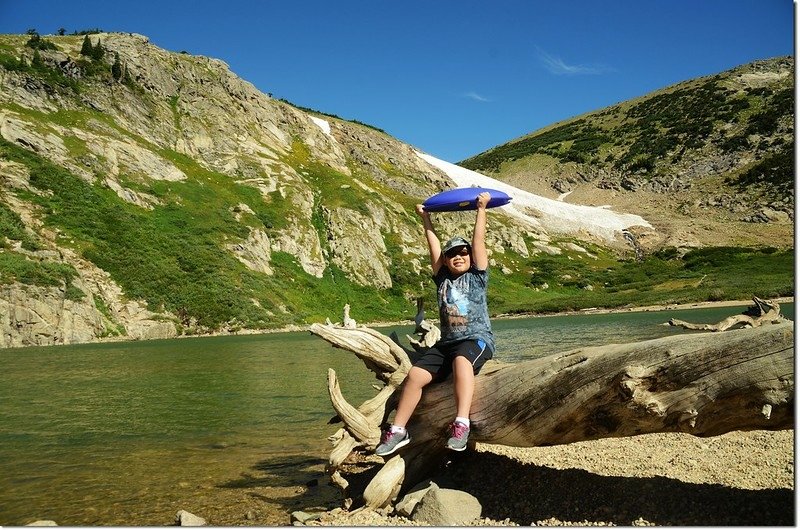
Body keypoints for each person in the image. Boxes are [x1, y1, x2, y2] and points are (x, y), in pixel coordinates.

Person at [375, 192, 495, 456]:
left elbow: (478, 241)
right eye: (453, 254)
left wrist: (481, 209)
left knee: (462, 362)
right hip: (447, 343)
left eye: (464, 253)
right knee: (415, 375)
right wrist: (425, 218)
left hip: (476, 339)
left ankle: (462, 423)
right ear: (446, 260)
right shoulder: (442, 279)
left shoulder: (477, 277)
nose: (459, 256)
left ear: (471, 258)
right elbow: (433, 247)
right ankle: (398, 430)